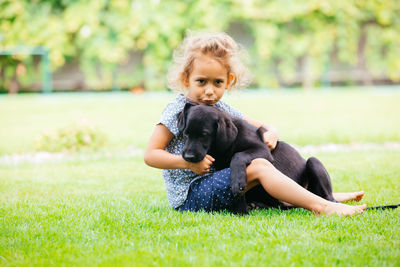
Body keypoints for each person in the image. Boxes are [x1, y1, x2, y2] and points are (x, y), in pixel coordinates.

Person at [144, 31, 366, 216]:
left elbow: (261, 126)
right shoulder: (176, 110)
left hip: (220, 182)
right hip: (191, 195)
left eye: (217, 82)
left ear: (228, 81)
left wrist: (271, 132)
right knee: (259, 166)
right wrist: (187, 163)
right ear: (186, 79)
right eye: (201, 81)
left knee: (260, 164)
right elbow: (151, 154)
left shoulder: (220, 109)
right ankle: (322, 206)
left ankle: (325, 195)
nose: (209, 91)